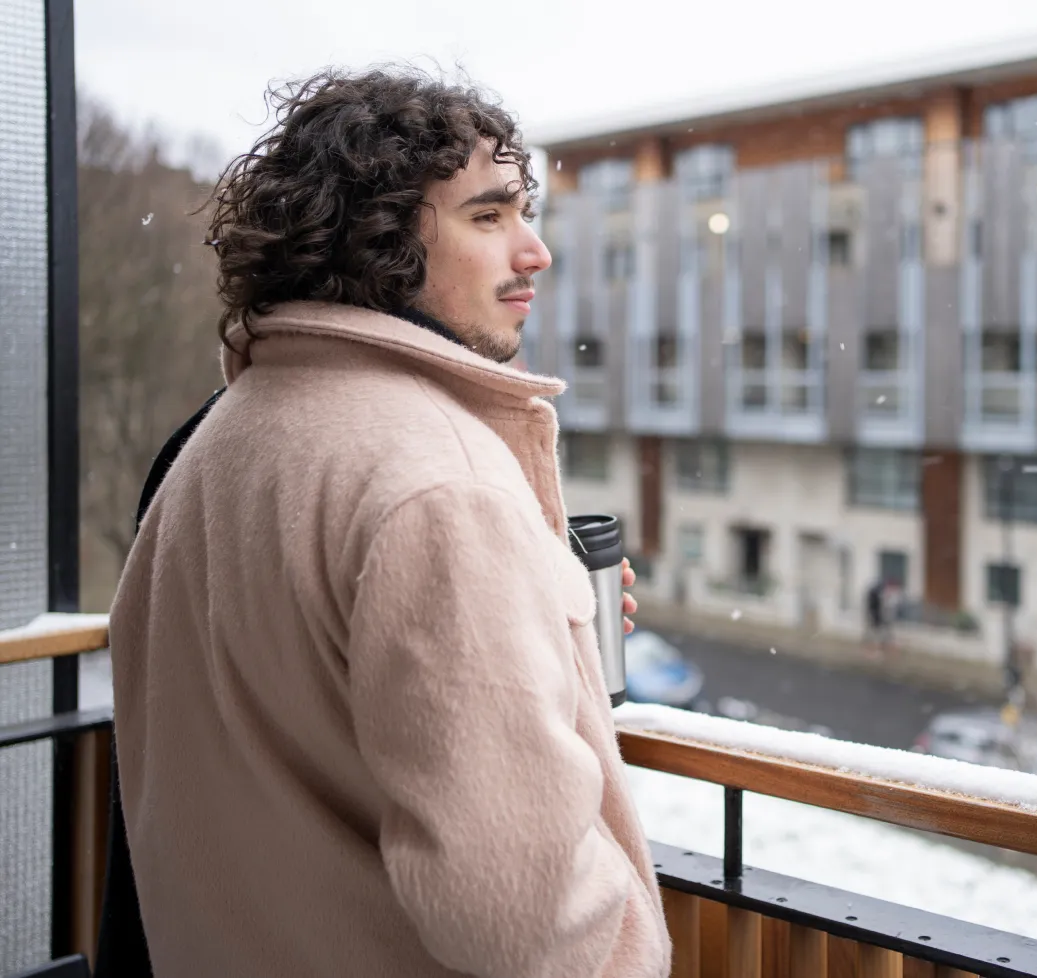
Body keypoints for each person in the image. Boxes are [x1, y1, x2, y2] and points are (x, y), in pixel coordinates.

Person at [107, 69, 671, 978]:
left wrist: (539, 635)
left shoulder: (222, 435)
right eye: (489, 218)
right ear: (375, 240)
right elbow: (521, 917)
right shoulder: (442, 487)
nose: (536, 253)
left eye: (526, 214)